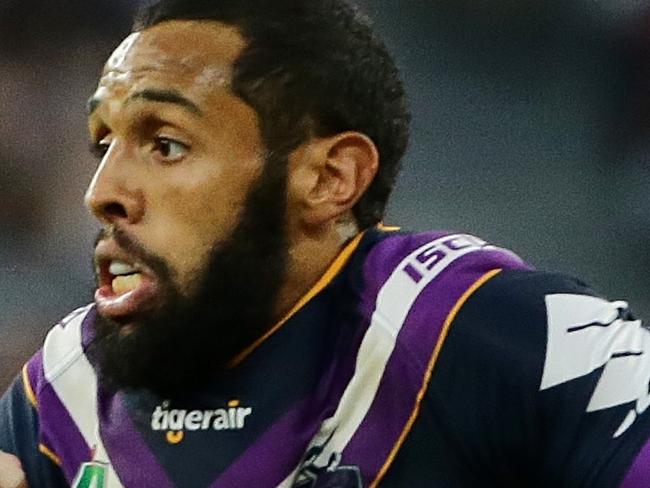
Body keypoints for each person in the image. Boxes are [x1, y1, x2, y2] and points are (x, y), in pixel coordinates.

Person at [1, 0, 650, 486]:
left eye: (165, 144)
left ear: (329, 178)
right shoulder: (61, 393)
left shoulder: (484, 328)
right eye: (103, 144)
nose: (102, 192)